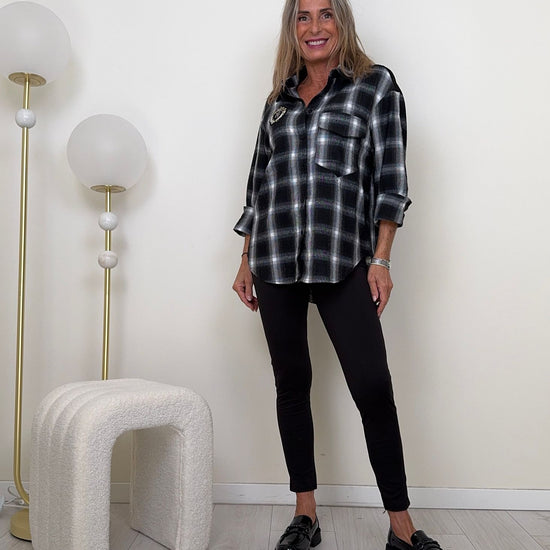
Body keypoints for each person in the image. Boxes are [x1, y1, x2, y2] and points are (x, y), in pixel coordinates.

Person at [233, 1, 443, 549]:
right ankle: (306, 514)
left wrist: (382, 259)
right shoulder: (278, 103)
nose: (314, 27)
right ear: (292, 29)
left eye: (325, 14)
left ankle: (401, 527)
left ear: (342, 23)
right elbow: (259, 184)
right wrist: (245, 257)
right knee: (291, 384)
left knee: (372, 386)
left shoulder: (374, 87)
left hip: (344, 257)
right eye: (303, 17)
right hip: (275, 258)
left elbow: (391, 179)